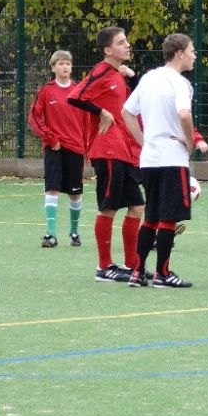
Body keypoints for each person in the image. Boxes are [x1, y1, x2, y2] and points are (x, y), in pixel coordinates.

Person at [67, 26, 144, 283]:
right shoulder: (100, 71)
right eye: (121, 42)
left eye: (126, 41)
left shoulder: (117, 75)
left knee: (137, 206)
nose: (127, 45)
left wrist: (132, 77)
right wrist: (101, 112)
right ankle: (104, 267)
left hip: (122, 150)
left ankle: (131, 265)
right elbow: (75, 97)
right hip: (107, 150)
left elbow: (136, 103)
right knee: (108, 207)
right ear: (108, 50)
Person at [121, 33, 198, 289]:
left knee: (151, 216)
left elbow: (126, 112)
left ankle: (137, 272)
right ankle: (162, 274)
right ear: (179, 53)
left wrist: (144, 142)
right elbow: (184, 115)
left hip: (149, 160)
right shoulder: (180, 83)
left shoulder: (148, 78)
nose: (194, 55)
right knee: (168, 217)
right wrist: (189, 142)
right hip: (172, 158)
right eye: (191, 51)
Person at [29, 50, 88, 248]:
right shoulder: (46, 91)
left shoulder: (79, 91)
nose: (65, 67)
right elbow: (34, 116)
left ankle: (74, 232)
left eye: (68, 63)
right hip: (54, 148)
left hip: (76, 148)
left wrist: (87, 146)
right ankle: (51, 234)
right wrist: (50, 137)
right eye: (61, 63)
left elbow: (87, 122)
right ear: (53, 68)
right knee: (52, 188)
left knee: (75, 192)